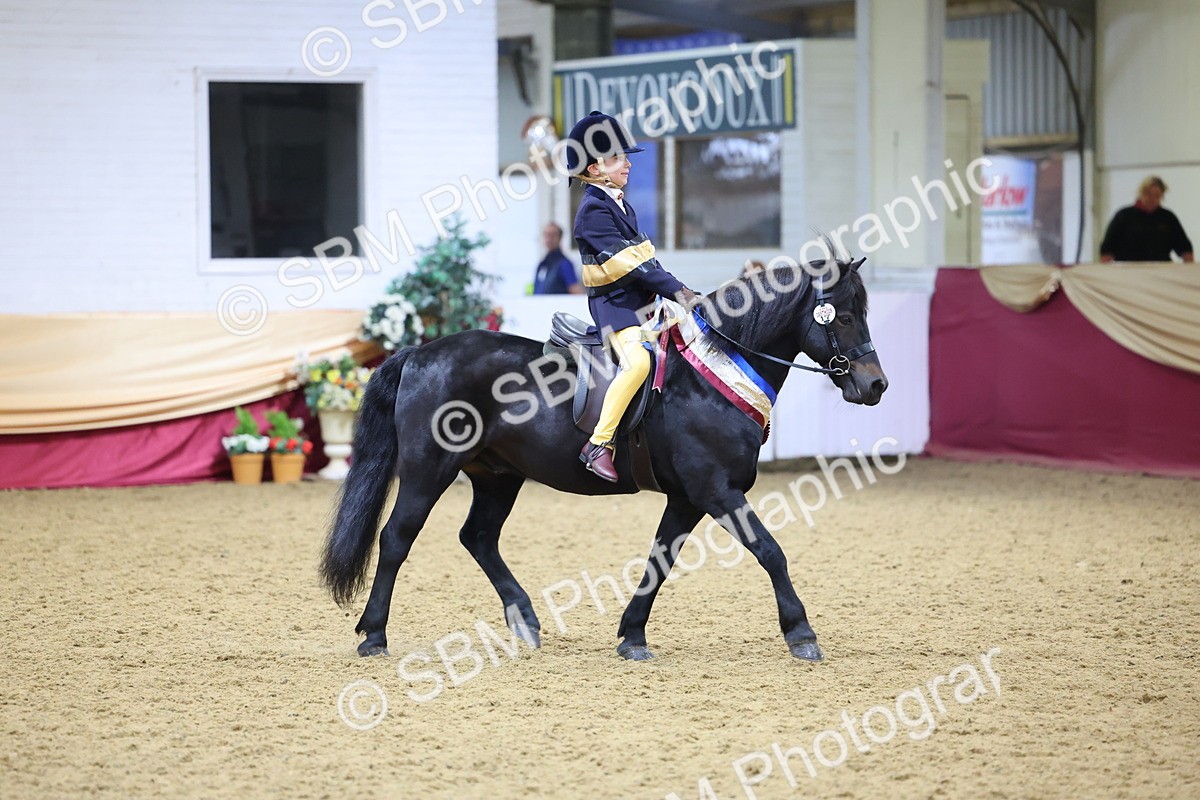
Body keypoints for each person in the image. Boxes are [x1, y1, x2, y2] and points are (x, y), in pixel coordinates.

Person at [566, 110, 698, 483]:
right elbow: (634, 268)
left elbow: (648, 260)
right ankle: (599, 443)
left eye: (625, 157)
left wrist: (681, 290)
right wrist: (678, 291)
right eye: (617, 158)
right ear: (593, 169)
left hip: (643, 306)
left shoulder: (621, 204)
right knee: (638, 363)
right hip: (617, 311)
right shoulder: (593, 211)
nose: (627, 163)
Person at [1099, 176, 1194, 263]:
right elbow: (1107, 249)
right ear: (1140, 193)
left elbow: (1185, 248)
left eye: (1157, 195)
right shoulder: (1124, 216)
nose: (1151, 199)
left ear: (1162, 196)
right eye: (1148, 194)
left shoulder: (1168, 217)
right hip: (1127, 270)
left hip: (1160, 270)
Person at [532, 223, 583, 294]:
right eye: (546, 235)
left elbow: (575, 289)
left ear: (559, 238)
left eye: (552, 235)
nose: (549, 239)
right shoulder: (542, 265)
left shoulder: (564, 264)